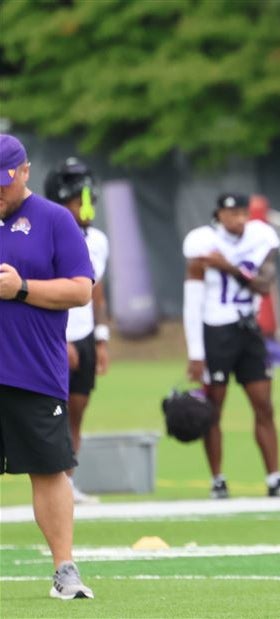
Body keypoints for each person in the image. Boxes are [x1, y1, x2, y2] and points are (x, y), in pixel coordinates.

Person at [0, 134, 95, 599]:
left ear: (25, 172)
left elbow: (81, 290)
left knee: (49, 468)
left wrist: (20, 288)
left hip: (33, 370)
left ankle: (65, 569)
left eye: (4, 182)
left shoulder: (55, 220)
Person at [182, 192, 280, 498]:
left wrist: (228, 266)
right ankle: (217, 480)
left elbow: (264, 285)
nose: (239, 220)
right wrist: (195, 352)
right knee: (213, 408)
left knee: (264, 405)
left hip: (248, 329)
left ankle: (275, 479)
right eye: (232, 214)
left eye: (243, 214)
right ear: (218, 215)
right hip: (216, 330)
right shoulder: (200, 241)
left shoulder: (262, 237)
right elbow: (192, 301)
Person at [44, 157, 111, 505]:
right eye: (77, 202)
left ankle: (69, 482)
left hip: (85, 334)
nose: (85, 209)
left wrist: (101, 338)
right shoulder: (50, 235)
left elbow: (95, 289)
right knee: (55, 410)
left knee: (78, 410)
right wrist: (64, 337)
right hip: (60, 334)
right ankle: (53, 484)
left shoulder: (97, 240)